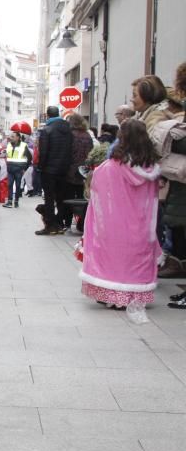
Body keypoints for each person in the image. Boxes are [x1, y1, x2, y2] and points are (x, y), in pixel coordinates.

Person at [80, 119, 162, 324]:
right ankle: (135, 294)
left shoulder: (112, 167)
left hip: (116, 223)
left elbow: (98, 189)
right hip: (143, 225)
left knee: (115, 257)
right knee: (137, 258)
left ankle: (114, 294)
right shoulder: (151, 169)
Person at [34, 106, 73, 235]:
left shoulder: (47, 130)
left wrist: (41, 166)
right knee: (61, 197)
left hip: (49, 170)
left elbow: (43, 152)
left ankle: (50, 225)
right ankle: (60, 223)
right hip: (64, 169)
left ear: (47, 115)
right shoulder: (68, 130)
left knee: (49, 198)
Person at [60, 112, 93, 232]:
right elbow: (90, 153)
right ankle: (81, 222)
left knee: (68, 197)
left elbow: (65, 153)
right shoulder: (87, 136)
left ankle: (67, 223)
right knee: (81, 198)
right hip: (83, 171)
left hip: (70, 171)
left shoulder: (70, 135)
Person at [3, 131, 31, 208]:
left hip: (19, 169)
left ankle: (16, 201)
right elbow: (7, 155)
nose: (11, 138)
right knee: (9, 185)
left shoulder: (23, 145)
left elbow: (29, 158)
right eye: (11, 136)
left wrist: (25, 168)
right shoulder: (9, 145)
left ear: (18, 137)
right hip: (10, 169)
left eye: (13, 136)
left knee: (18, 185)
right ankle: (9, 201)